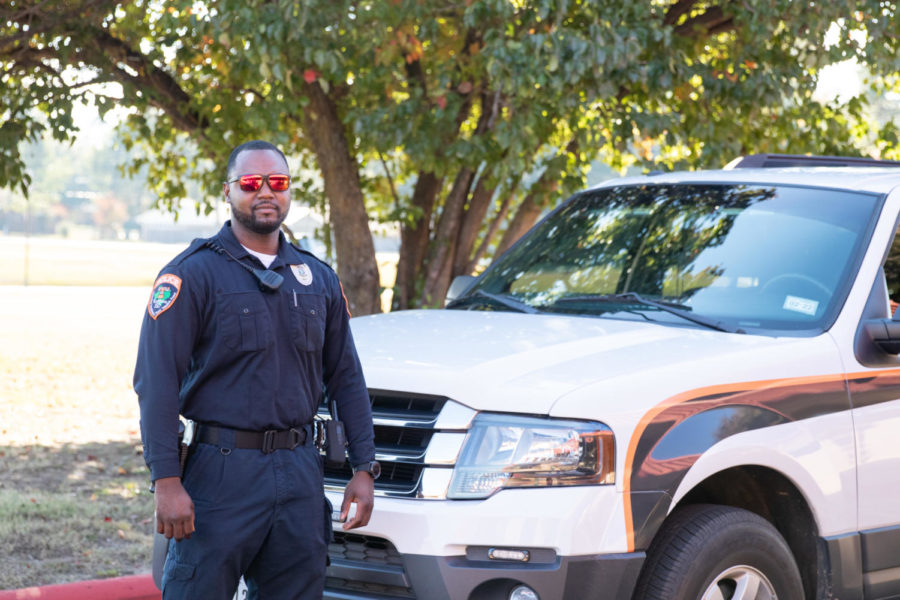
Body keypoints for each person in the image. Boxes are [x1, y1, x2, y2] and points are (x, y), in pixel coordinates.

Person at [133, 140, 378, 599]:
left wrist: (364, 468)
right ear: (228, 192)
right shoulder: (193, 274)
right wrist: (165, 480)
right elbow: (156, 382)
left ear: (288, 193)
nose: (266, 191)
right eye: (251, 182)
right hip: (220, 473)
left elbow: (346, 377)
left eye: (278, 182)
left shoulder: (317, 277)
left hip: (301, 472)